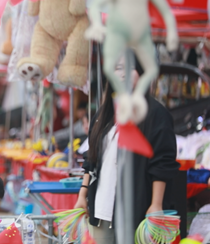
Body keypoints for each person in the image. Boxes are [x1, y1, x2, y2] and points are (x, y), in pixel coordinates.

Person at [74, 58, 179, 244]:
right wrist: (82, 195)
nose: (121, 74)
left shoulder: (156, 114)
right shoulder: (103, 114)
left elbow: (162, 162)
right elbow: (91, 159)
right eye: (116, 68)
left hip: (135, 210)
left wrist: (156, 204)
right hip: (101, 208)